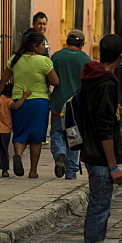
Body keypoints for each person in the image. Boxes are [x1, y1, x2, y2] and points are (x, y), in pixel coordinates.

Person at [80, 33, 122, 243]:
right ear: (121, 56)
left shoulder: (91, 76)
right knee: (99, 211)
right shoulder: (107, 82)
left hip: (89, 152)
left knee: (97, 210)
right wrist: (113, 167)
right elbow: (105, 129)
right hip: (100, 158)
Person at [0, 31, 59, 178]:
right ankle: (33, 171)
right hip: (39, 102)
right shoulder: (44, 61)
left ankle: (18, 155)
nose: (45, 47)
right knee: (36, 138)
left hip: (19, 101)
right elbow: (56, 82)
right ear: (35, 46)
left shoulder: (14, 60)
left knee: (20, 133)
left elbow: (3, 81)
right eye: (43, 44)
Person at [50, 29, 92, 179]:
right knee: (73, 136)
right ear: (81, 44)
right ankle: (71, 171)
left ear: (67, 41)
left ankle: (59, 152)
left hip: (58, 102)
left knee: (56, 133)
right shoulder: (86, 59)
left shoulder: (57, 56)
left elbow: (50, 78)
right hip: (76, 105)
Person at [0, 83, 30, 178]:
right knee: (4, 150)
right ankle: (5, 171)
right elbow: (16, 106)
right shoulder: (8, 101)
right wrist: (24, 96)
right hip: (5, 131)